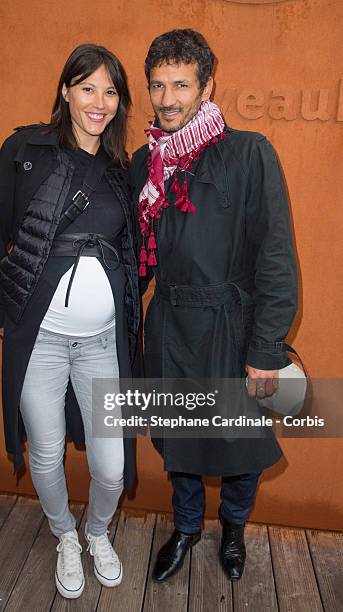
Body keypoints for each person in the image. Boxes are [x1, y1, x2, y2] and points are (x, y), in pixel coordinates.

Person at [130, 29, 298, 582]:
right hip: (171, 328)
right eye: (158, 85)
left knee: (239, 443)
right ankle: (184, 528)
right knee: (178, 441)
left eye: (181, 84)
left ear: (207, 87)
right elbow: (134, 258)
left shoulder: (250, 154)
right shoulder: (145, 164)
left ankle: (232, 529)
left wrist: (267, 348)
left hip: (232, 327)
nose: (168, 98)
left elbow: (276, 256)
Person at [0, 44, 141, 599]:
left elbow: (136, 251)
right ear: (66, 90)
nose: (99, 102)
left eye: (110, 91)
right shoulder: (25, 148)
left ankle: (98, 533)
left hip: (101, 345)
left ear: (120, 103)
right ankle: (65, 535)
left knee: (112, 466)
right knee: (44, 451)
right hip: (39, 340)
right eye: (88, 87)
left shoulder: (122, 169)